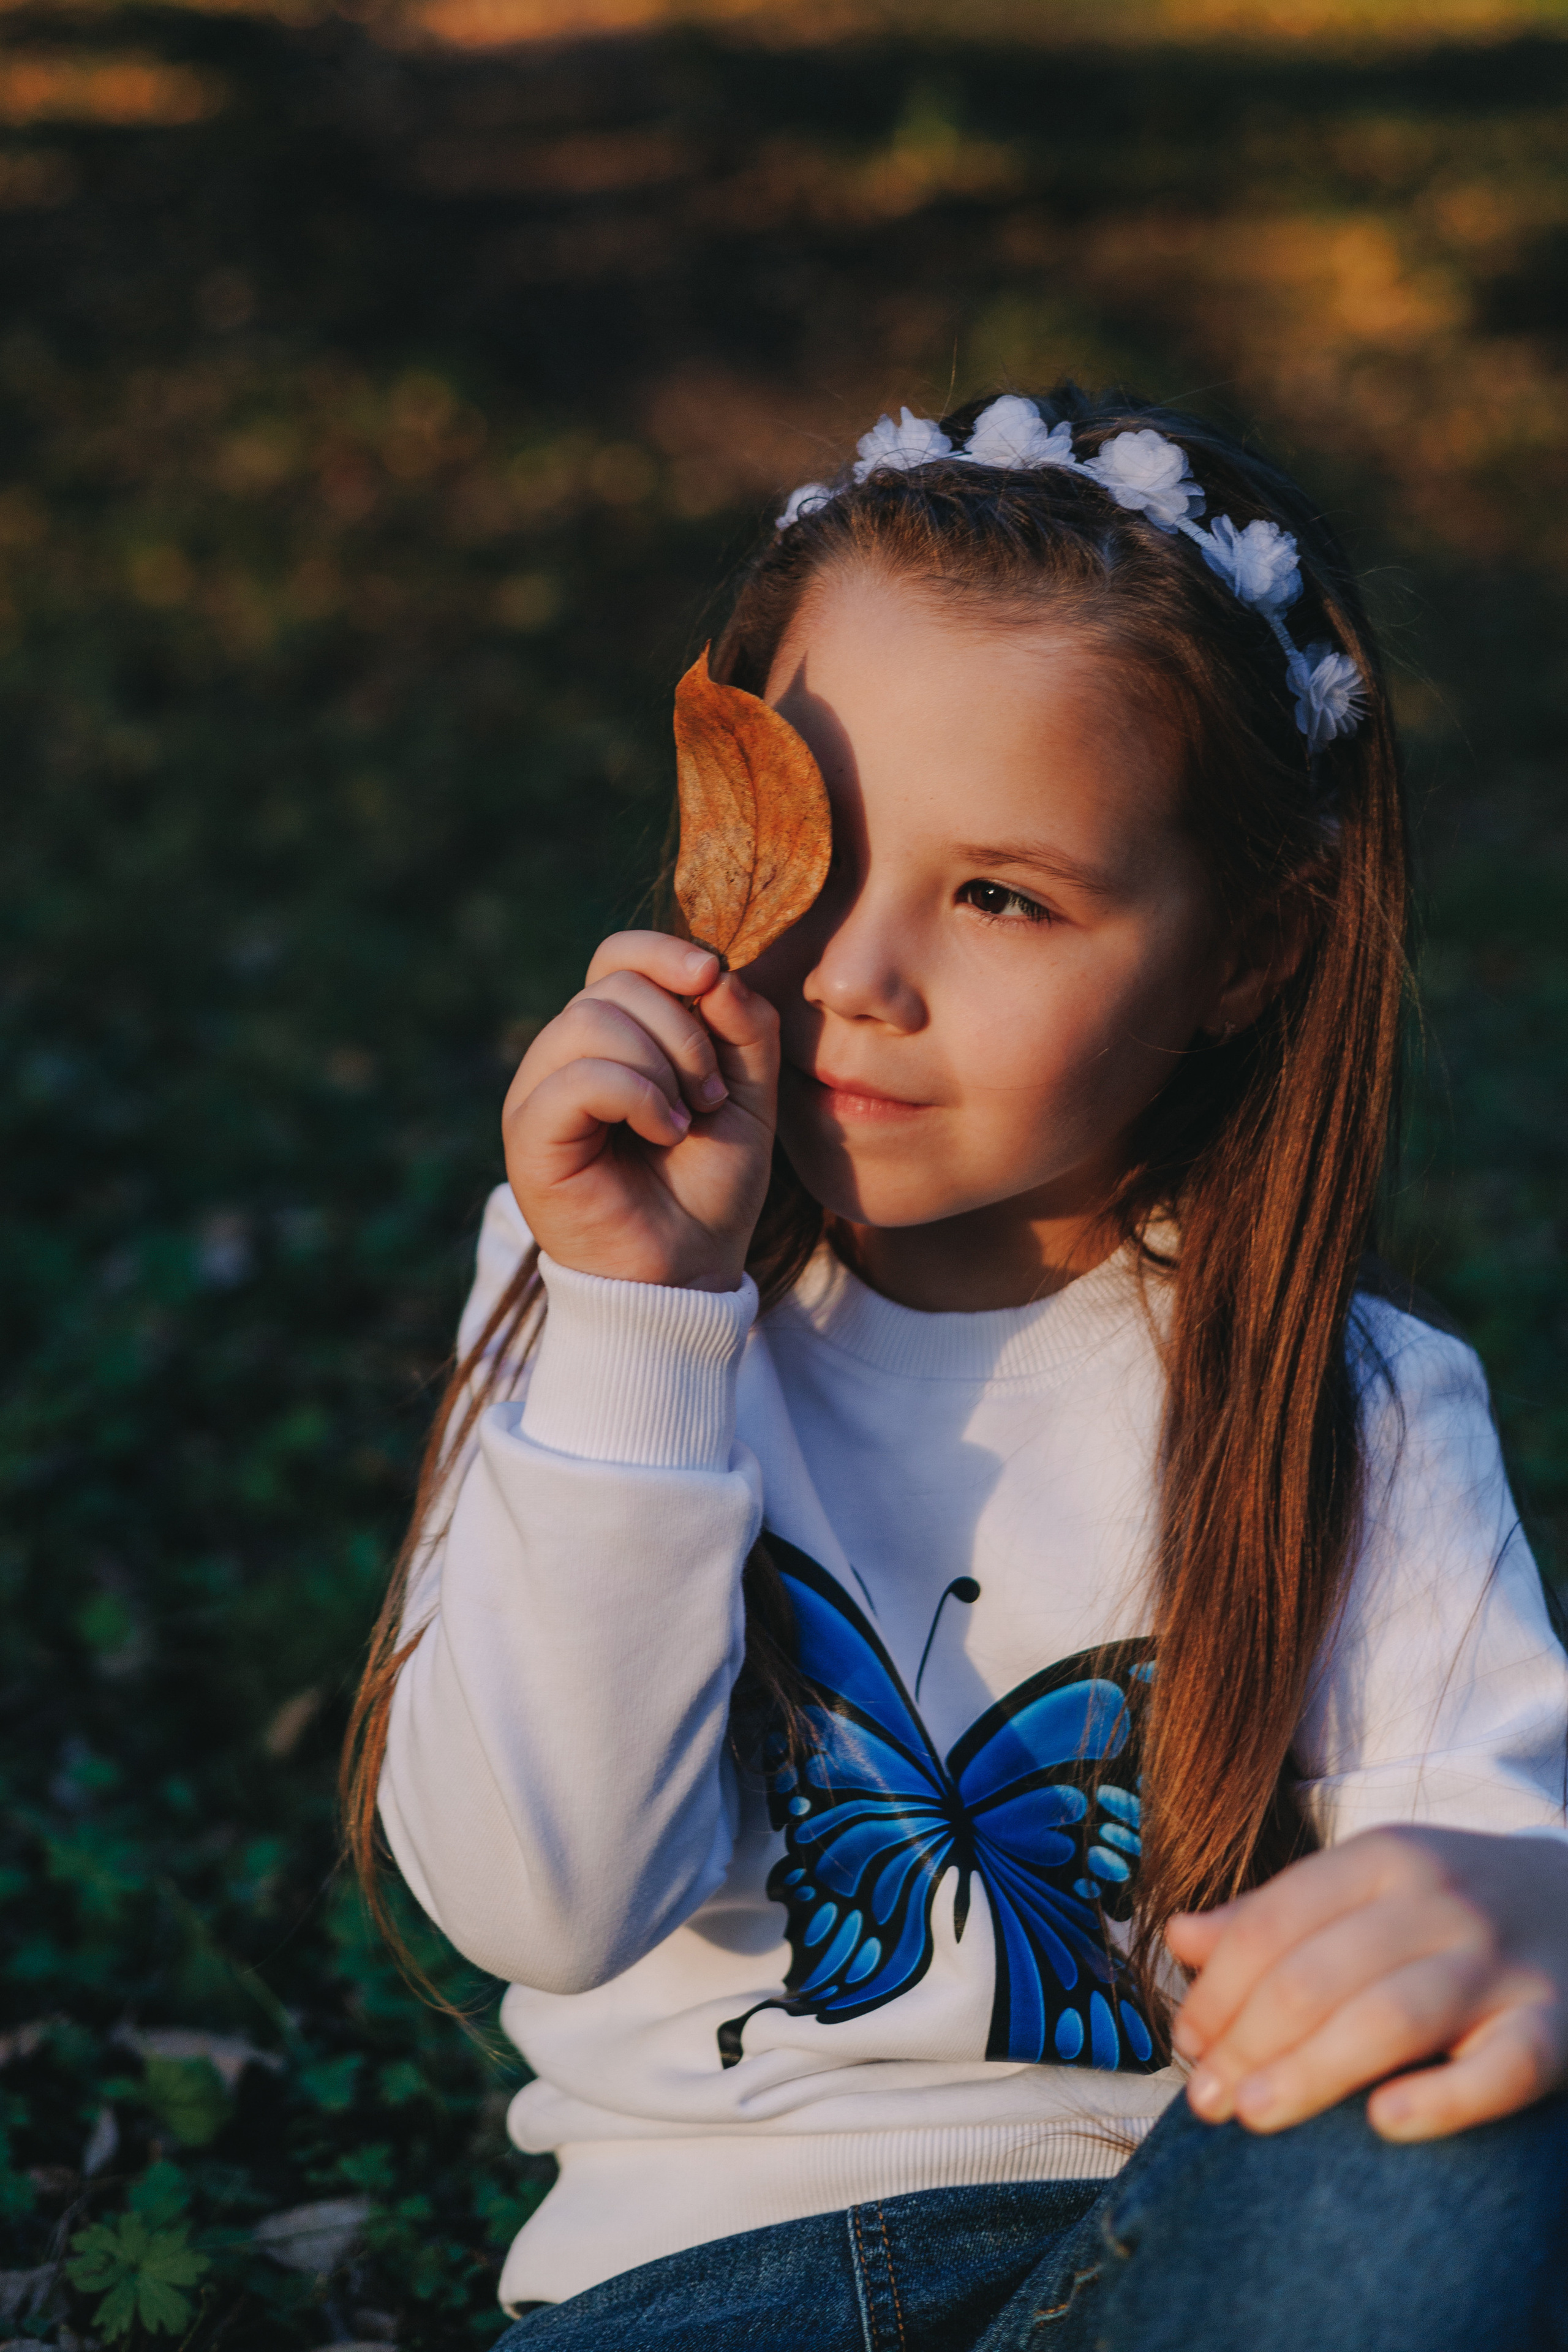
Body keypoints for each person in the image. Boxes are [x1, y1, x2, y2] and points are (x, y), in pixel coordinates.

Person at [343, 387, 1568, 2350]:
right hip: (695, 2291)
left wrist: (1521, 1913)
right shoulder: (602, 1289)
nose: (853, 970)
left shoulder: (1353, 1405)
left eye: (1002, 895)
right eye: (811, 844)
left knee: (1472, 2121)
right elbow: (540, 1909)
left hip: (1178, 2251)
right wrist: (647, 1323)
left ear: (1249, 953)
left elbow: (1477, 1883)